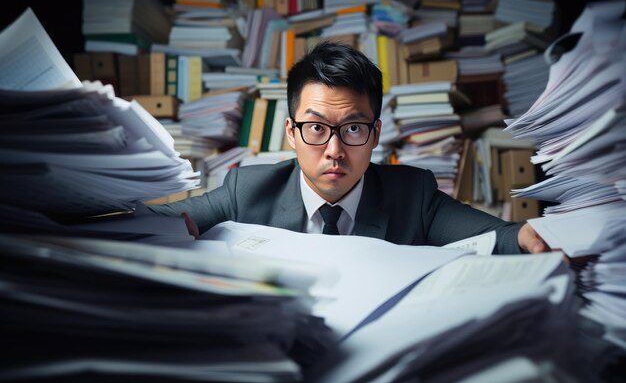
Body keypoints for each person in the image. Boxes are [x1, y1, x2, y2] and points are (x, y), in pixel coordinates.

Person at [147, 42, 549, 254]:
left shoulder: (414, 195)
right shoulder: (246, 191)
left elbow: (498, 238)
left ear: (375, 134)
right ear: (290, 132)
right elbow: (158, 221)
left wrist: (528, 239)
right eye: (316, 128)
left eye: (353, 128)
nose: (335, 150)